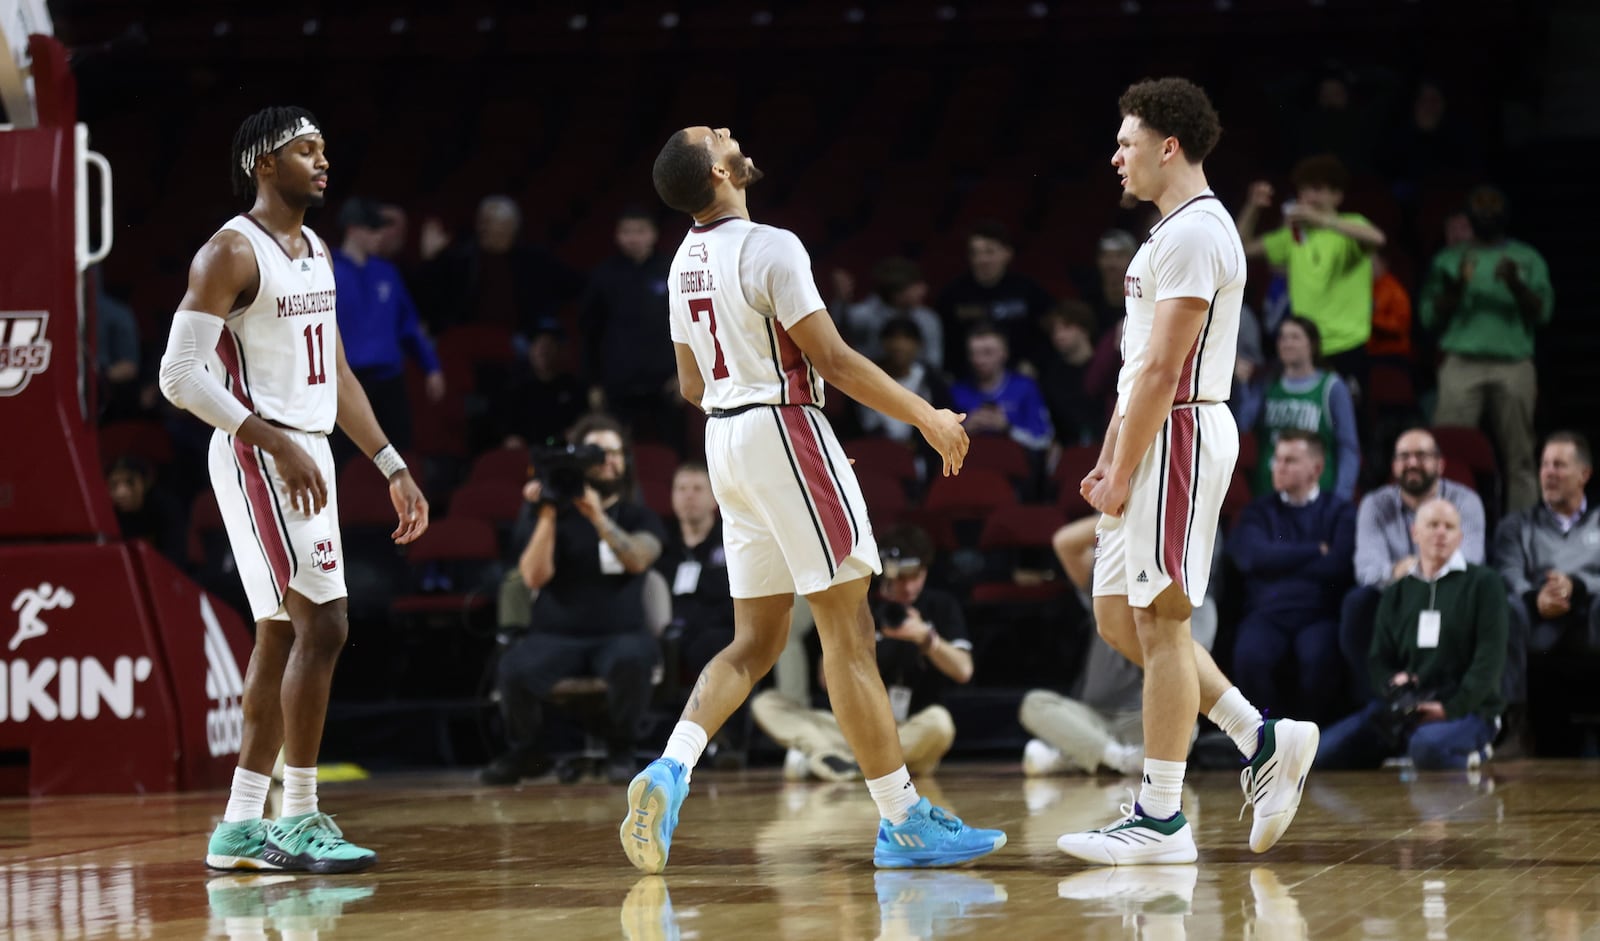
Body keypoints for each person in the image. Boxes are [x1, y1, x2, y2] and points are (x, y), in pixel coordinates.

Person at [622, 125, 1004, 873]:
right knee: (849, 636)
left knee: (755, 642)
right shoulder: (771, 245)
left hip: (726, 441)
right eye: (717, 135)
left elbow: (693, 386)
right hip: (781, 428)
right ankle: (903, 820)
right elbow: (831, 357)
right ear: (722, 170)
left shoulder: (681, 263)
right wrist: (924, 415)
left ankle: (670, 766)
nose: (730, 131)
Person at [1055, 78, 1320, 867]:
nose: (1115, 157)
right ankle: (1260, 735)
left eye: (1126, 143)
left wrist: (1126, 461)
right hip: (1150, 427)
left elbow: (1168, 366)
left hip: (1179, 430)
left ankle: (1161, 816)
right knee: (1115, 616)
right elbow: (1140, 363)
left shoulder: (1200, 232)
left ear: (1168, 146)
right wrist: (1107, 459)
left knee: (1162, 620)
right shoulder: (1167, 232)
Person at [157, 106, 429, 873]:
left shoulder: (314, 249)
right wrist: (271, 440)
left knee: (282, 631)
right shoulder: (229, 253)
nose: (322, 161)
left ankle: (242, 823)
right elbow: (177, 377)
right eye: (305, 150)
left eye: (324, 149)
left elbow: (335, 374)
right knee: (327, 624)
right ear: (262, 164)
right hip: (261, 452)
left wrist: (390, 464)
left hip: (306, 449)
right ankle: (299, 815)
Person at [483, 414, 668, 786]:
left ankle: (621, 750)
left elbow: (636, 559)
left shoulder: (640, 516)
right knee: (515, 667)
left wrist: (598, 516)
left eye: (615, 452)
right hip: (556, 634)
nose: (608, 460)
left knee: (632, 659)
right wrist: (547, 513)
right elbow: (533, 577)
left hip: (622, 631)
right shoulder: (548, 514)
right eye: (598, 453)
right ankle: (526, 752)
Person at [751, 524, 972, 781]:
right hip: (855, 729)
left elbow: (964, 670)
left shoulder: (941, 605)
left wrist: (926, 638)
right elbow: (826, 680)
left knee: (940, 723)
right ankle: (857, 760)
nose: (909, 586)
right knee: (767, 704)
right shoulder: (860, 603)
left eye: (917, 576)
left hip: (910, 728)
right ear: (887, 572)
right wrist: (859, 644)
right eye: (902, 577)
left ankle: (833, 758)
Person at [1020, 515, 1218, 778]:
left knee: (1186, 724)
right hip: (1093, 716)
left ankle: (1078, 755)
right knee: (1035, 703)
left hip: (1142, 718)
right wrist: (1126, 511)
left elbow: (1185, 669)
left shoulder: (1197, 604)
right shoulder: (1109, 586)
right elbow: (1064, 541)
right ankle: (1118, 759)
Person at [1315, 499, 1505, 770]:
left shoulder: (1484, 584)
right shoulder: (1398, 591)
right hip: (1410, 708)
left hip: (1468, 709)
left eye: (1449, 527)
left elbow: (1489, 663)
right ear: (1415, 532)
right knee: (1321, 755)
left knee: (1426, 748)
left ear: (1460, 537)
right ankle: (1404, 751)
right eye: (1432, 525)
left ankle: (1477, 751)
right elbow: (1379, 658)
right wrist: (1395, 685)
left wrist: (1449, 708)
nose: (1441, 532)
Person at [1420, 186, 1555, 514]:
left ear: (1505, 216)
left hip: (1513, 363)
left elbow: (1544, 314)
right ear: (1470, 216)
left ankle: (1522, 533)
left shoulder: (1526, 258)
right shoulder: (1450, 259)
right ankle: (1443, 522)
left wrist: (1516, 285)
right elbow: (1428, 317)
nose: (1487, 214)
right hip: (1461, 362)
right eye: (1480, 209)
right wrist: (1457, 287)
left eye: (1493, 209)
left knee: (1519, 455)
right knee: (1447, 449)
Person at [1341, 428, 1487, 702]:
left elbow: (1468, 563)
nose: (1412, 463)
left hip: (1450, 597)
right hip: (1394, 602)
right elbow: (1367, 571)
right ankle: (1377, 703)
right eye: (1404, 456)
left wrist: (1410, 569)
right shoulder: (1375, 504)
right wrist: (1420, 571)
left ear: (1440, 464)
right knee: (1357, 603)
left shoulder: (1465, 501)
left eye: (1422, 455)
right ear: (1394, 465)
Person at [1228, 431, 1356, 723]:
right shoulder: (1258, 512)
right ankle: (1266, 741)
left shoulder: (1339, 512)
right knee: (1250, 657)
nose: (1279, 467)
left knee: (1319, 658)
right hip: (1267, 612)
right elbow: (1251, 557)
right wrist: (1315, 550)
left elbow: (1338, 564)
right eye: (1277, 460)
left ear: (1317, 468)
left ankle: (1312, 744)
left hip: (1318, 613)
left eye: (1290, 460)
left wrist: (1277, 561)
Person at [1236, 155, 1387, 386]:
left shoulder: (1351, 225)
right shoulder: (1293, 236)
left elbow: (1377, 238)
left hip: (1347, 347)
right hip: (1306, 349)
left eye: (1317, 189)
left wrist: (1323, 221)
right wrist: (1253, 207)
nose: (1308, 197)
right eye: (1304, 190)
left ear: (1337, 196)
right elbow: (1240, 248)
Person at [1493, 431, 1600, 752]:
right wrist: (1535, 596)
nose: (1549, 473)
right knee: (1507, 606)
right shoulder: (1517, 525)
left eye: (1559, 465)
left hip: (1591, 620)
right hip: (1538, 620)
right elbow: (1508, 571)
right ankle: (1514, 726)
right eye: (1544, 465)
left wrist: (1577, 586)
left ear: (1584, 474)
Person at [332, 197, 444, 457]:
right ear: (352, 229)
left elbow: (409, 326)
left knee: (399, 456)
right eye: (372, 227)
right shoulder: (328, 270)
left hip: (390, 380)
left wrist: (431, 367)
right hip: (347, 382)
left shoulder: (387, 272)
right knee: (344, 460)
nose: (379, 234)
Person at [581, 209, 679, 446]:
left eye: (640, 231)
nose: (633, 238)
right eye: (626, 232)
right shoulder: (603, 275)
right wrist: (593, 383)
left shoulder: (672, 269)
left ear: (654, 234)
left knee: (671, 449)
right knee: (617, 450)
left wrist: (683, 375)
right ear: (617, 235)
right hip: (618, 384)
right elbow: (590, 332)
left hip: (665, 383)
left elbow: (691, 327)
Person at [1244, 315, 1360, 501]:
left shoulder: (1332, 387)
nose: (1287, 343)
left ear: (1312, 345)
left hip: (1317, 497)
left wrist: (1340, 499)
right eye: (1282, 337)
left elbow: (1348, 447)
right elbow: (1242, 424)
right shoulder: (1267, 384)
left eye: (1295, 337)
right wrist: (1242, 385)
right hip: (1269, 496)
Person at [948, 322, 1054, 457]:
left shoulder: (1025, 387)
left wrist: (1007, 427)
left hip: (1015, 465)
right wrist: (965, 428)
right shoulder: (957, 391)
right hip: (969, 465)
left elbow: (1043, 440)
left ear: (1004, 353)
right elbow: (937, 443)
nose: (978, 360)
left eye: (987, 353)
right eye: (973, 353)